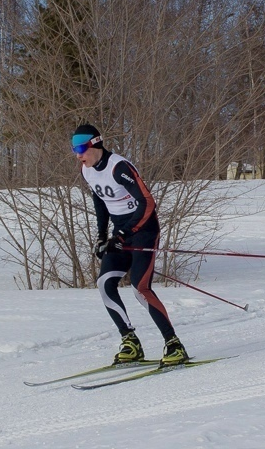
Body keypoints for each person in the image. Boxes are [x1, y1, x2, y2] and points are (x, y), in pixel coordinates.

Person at [72, 124, 189, 366]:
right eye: (74, 150)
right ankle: (130, 341)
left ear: (95, 144)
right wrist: (102, 237)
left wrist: (124, 234)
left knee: (140, 287)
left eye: (81, 149)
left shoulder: (119, 167)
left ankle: (174, 344)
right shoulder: (87, 171)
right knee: (105, 283)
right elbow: (100, 202)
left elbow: (147, 203)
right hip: (120, 233)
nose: (78, 155)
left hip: (143, 230)